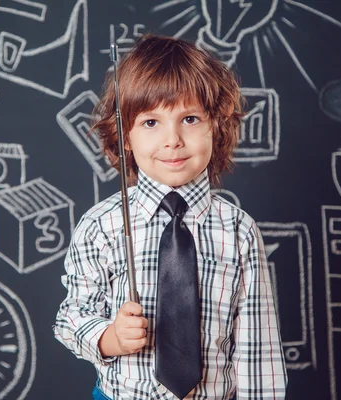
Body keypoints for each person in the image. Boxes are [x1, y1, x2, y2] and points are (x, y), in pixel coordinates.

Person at [53, 34, 287, 400]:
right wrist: (110, 336)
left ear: (217, 125)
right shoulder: (102, 225)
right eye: (150, 123)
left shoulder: (239, 230)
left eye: (190, 118)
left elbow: (258, 347)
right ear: (125, 135)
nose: (172, 139)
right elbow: (71, 317)